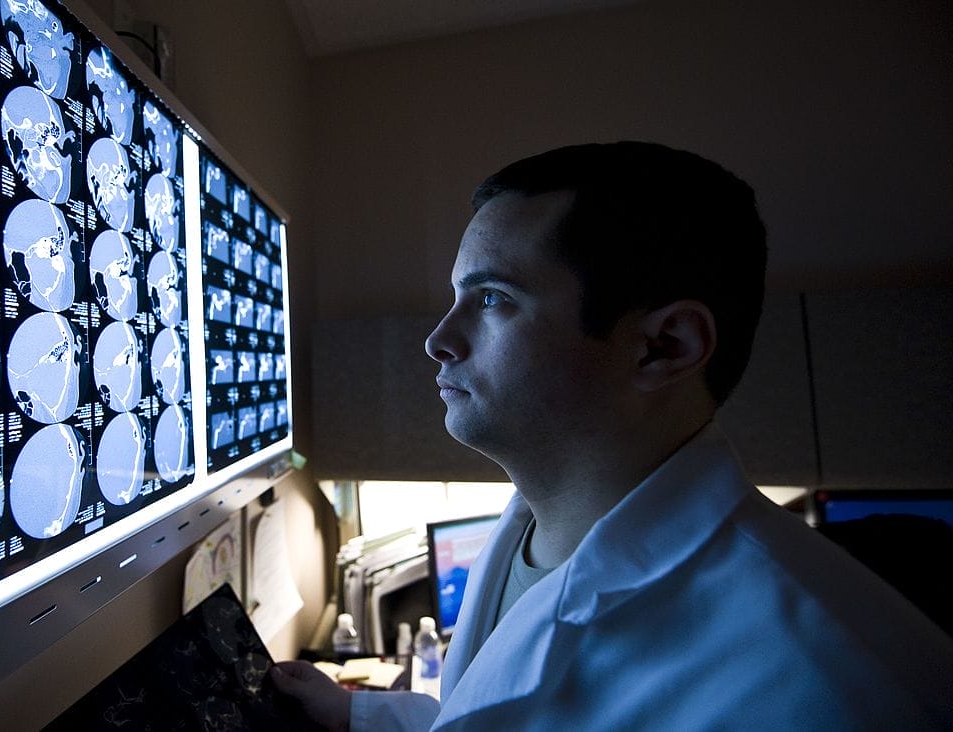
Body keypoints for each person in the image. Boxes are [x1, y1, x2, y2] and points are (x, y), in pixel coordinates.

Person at [272, 142, 953, 730]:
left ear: (664, 346)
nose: (438, 341)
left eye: (494, 299)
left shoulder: (829, 682)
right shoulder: (530, 534)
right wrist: (358, 715)